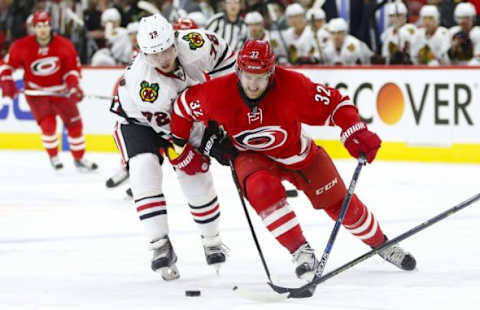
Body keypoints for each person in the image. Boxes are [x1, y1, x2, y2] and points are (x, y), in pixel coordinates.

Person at [170, 40, 417, 282]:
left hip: (296, 153)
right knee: (262, 189)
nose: (253, 84)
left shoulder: (293, 86)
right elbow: (181, 109)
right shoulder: (216, 94)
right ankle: (301, 251)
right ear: (238, 71)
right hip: (249, 156)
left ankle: (382, 244)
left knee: (341, 205)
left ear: (271, 73)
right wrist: (181, 148)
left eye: (260, 77)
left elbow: (336, 104)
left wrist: (354, 130)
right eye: (247, 76)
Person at [110, 14, 235, 280]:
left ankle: (211, 240)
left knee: (197, 177)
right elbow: (175, 134)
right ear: (143, 53)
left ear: (175, 40)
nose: (163, 59)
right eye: (154, 55)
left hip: (180, 115)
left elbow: (226, 57)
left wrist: (226, 109)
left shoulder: (196, 43)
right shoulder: (145, 84)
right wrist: (204, 145)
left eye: (166, 50)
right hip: (138, 121)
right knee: (145, 171)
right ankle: (159, 245)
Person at [0, 11, 97, 172]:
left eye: (45, 25)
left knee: (75, 125)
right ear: (34, 28)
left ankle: (79, 158)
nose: (43, 30)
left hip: (61, 92)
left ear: (50, 26)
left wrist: (73, 85)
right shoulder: (21, 46)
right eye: (39, 26)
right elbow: (6, 65)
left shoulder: (64, 45)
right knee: (48, 126)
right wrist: (6, 81)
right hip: (37, 94)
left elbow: (72, 69)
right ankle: (53, 155)